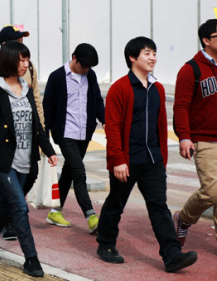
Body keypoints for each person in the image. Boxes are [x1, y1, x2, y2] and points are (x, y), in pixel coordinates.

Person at [96, 37, 197, 272]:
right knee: (115, 203)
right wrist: (118, 160)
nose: (153, 57)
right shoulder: (119, 88)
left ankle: (172, 255)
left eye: (154, 53)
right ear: (132, 57)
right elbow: (111, 127)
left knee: (159, 206)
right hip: (127, 160)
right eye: (147, 53)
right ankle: (106, 244)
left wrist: (162, 158)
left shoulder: (157, 88)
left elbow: (161, 126)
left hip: (152, 160)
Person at [0, 41, 57, 279]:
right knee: (20, 207)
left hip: (26, 160)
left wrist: (49, 150)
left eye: (27, 59)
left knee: (9, 203)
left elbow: (36, 126)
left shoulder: (28, 89)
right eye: (21, 60)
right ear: (10, 61)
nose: (26, 64)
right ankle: (31, 259)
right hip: (3, 161)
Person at [0, 25, 43, 242]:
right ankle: (11, 224)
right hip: (2, 142)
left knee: (17, 187)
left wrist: (40, 132)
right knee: (7, 187)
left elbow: (36, 101)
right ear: (6, 45)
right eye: (18, 40)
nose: (22, 44)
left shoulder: (29, 67)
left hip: (25, 139)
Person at [42, 43, 105, 232]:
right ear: (74, 58)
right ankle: (91, 215)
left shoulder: (90, 76)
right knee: (79, 172)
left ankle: (55, 211)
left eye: (90, 67)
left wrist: (105, 120)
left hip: (84, 133)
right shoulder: (57, 77)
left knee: (70, 171)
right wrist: (45, 140)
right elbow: (48, 108)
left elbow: (97, 100)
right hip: (65, 133)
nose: (86, 70)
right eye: (84, 66)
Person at [173, 18, 217, 248]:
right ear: (206, 40)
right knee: (211, 193)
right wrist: (184, 136)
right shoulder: (191, 69)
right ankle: (184, 218)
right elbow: (180, 106)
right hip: (204, 139)